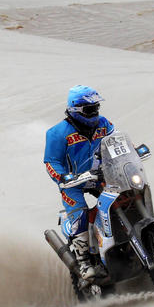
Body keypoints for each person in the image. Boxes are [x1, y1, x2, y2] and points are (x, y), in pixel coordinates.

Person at [43, 84, 115, 285]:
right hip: (74, 182)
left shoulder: (103, 123)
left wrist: (132, 151)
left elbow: (115, 141)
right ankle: (84, 262)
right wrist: (62, 178)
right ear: (76, 109)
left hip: (100, 175)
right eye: (90, 109)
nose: (96, 112)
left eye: (96, 107)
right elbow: (51, 162)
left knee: (121, 196)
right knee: (81, 212)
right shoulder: (57, 133)